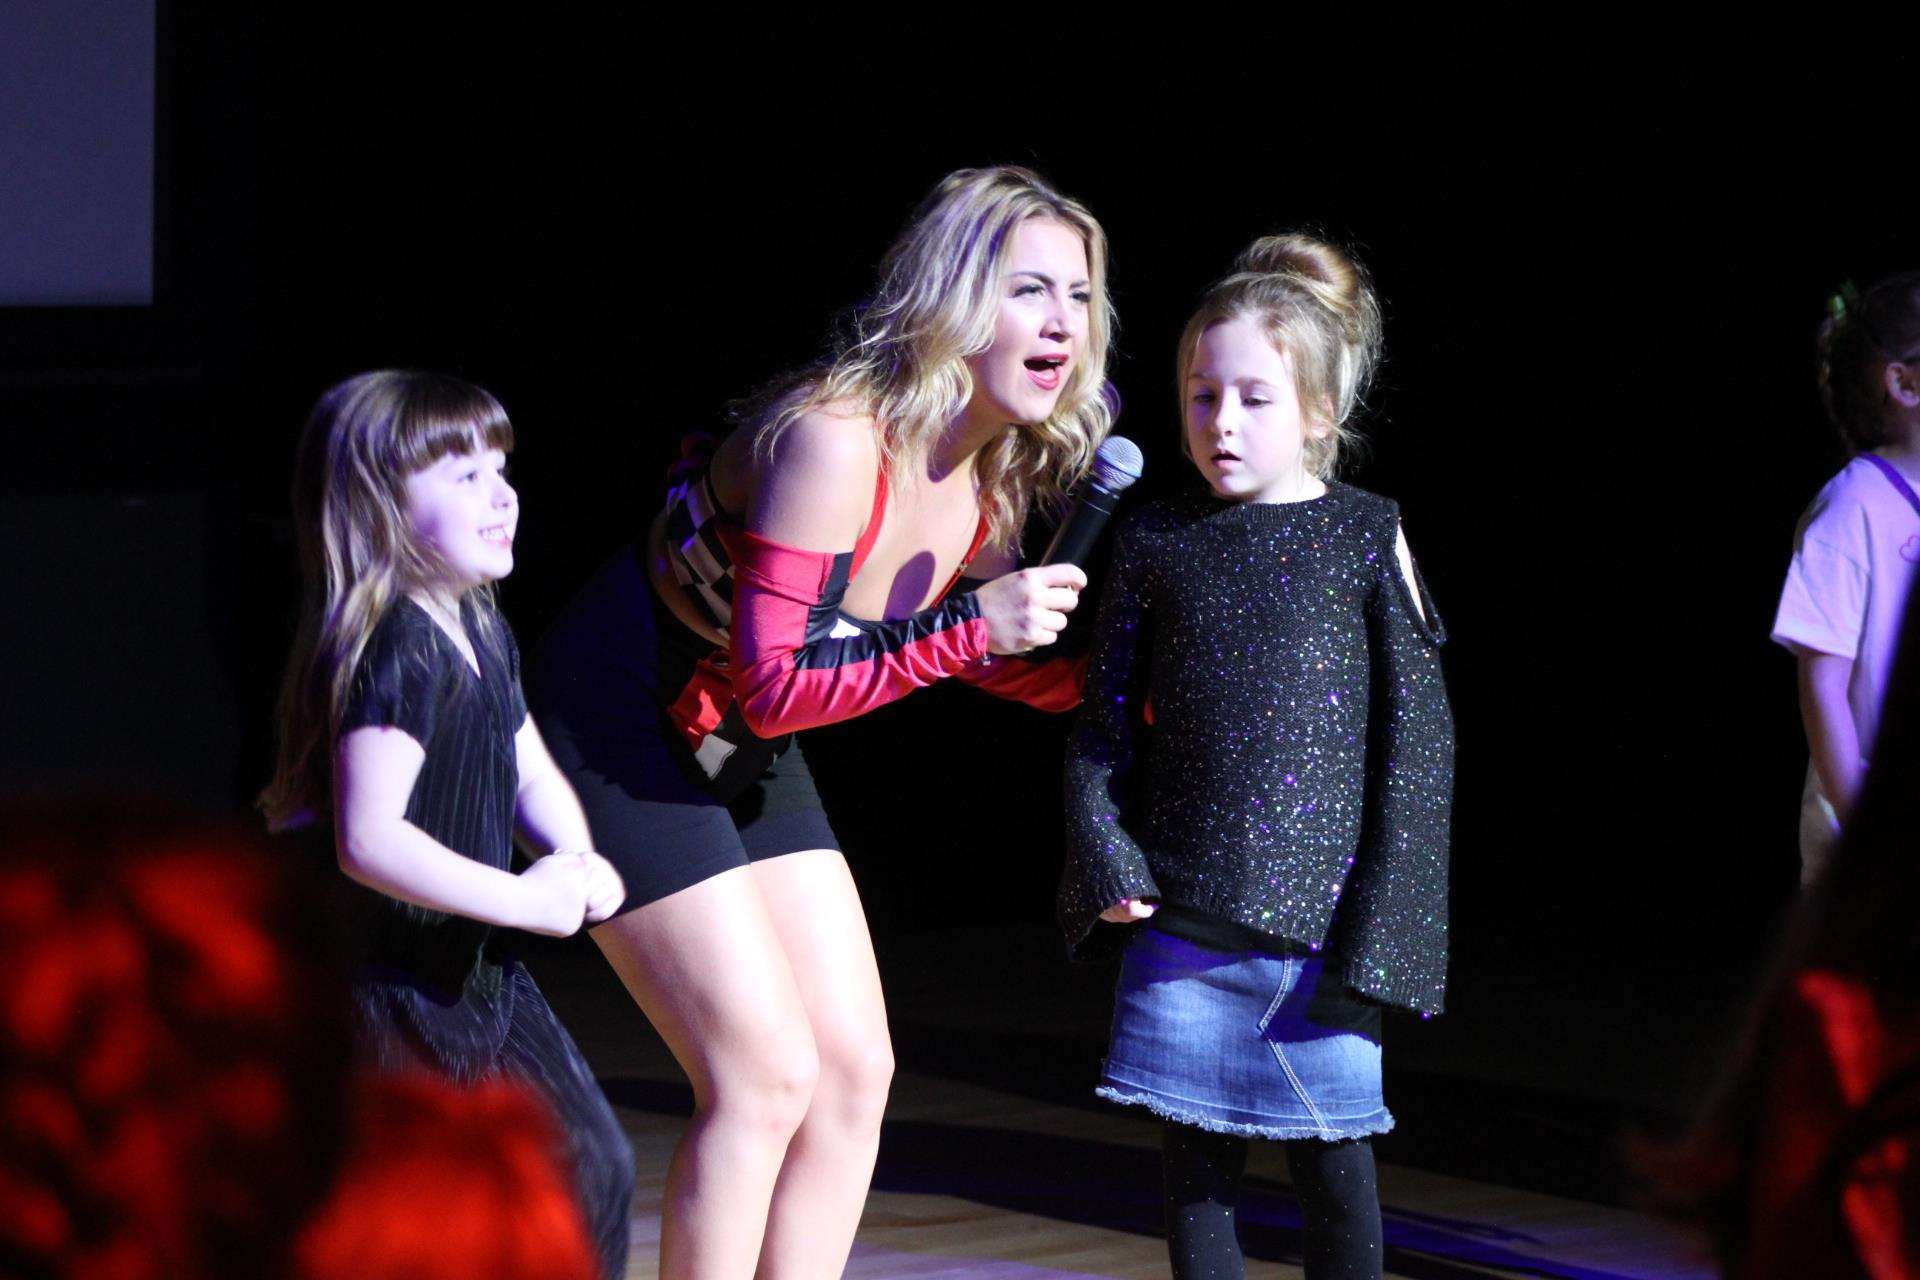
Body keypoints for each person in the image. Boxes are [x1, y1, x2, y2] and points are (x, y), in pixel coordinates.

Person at [529, 165, 1113, 1278]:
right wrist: (970, 630)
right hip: (619, 711)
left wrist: (1136, 692)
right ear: (952, 296)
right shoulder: (833, 436)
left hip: (740, 731)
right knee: (763, 1073)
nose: (1063, 324)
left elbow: (976, 658)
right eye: (1030, 289)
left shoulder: (990, 469)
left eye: (1080, 296)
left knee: (853, 1072)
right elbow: (781, 682)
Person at [1057, 235, 1454, 1279]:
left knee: (1337, 1173)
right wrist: (1107, 852)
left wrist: (1387, 927)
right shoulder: (1155, 539)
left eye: (1255, 398)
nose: (1221, 422)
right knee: (1196, 1177)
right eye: (1200, 395)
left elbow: (1419, 748)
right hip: (1185, 922)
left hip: (1321, 938)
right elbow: (1100, 723)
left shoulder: (1369, 532)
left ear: (1319, 412)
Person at [260, 370, 635, 1279]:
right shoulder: (396, 648)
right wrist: (521, 897)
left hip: (473, 975)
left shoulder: (478, 624)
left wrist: (577, 859)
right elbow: (370, 839)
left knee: (590, 1166)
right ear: (380, 502)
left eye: (499, 468)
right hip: (382, 989)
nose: (500, 493)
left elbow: (527, 767)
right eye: (461, 475)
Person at [1773, 271, 1920, 884]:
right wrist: (1869, 837)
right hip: (1870, 871)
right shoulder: (1851, 507)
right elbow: (1824, 688)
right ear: (1903, 382)